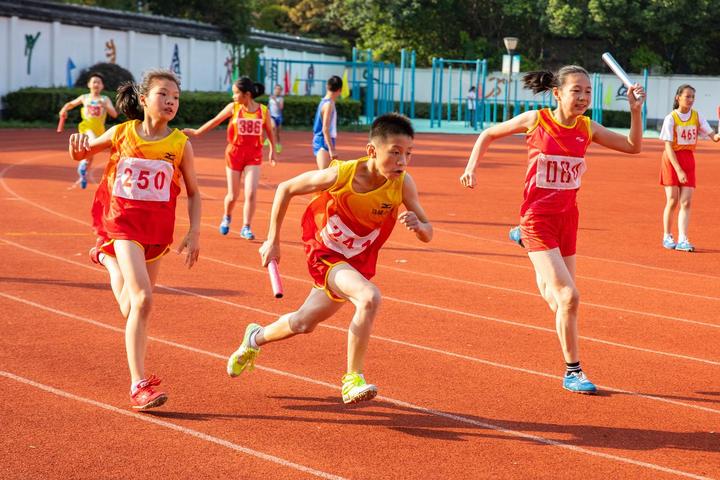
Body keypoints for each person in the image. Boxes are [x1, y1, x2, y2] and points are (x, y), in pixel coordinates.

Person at [460, 66, 646, 394]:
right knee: (569, 297)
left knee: (557, 300)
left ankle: (524, 243)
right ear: (558, 93)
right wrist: (471, 167)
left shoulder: (587, 128)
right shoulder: (536, 120)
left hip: (567, 219)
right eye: (577, 91)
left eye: (588, 91)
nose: (584, 97)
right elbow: (487, 134)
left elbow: (633, 146)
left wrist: (634, 111)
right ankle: (573, 371)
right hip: (537, 219)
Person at [226, 113, 433, 404]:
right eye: (395, 153)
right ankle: (352, 379)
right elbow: (286, 188)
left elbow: (428, 232)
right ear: (372, 151)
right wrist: (272, 239)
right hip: (324, 253)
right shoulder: (343, 174)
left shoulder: (403, 184)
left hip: (354, 262)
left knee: (302, 323)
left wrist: (419, 226)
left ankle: (254, 338)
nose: (402, 162)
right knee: (369, 297)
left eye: (408, 154)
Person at [68, 69, 201, 409]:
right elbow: (83, 154)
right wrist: (78, 148)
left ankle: (106, 260)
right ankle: (138, 384)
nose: (170, 101)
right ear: (144, 100)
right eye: (163, 95)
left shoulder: (180, 144)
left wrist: (194, 230)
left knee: (131, 307)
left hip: (158, 233)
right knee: (143, 300)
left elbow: (194, 193)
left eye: (175, 97)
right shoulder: (122, 132)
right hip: (123, 223)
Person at [184, 77, 276, 240]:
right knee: (233, 195)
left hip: (253, 155)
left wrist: (273, 151)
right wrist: (197, 132)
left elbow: (269, 130)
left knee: (251, 193)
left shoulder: (263, 111)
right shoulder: (233, 108)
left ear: (246, 94)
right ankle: (227, 216)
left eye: (235, 93)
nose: (233, 96)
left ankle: (246, 227)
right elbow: (216, 121)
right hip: (234, 154)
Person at [658, 84, 720, 251]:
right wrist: (678, 170)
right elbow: (668, 146)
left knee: (686, 202)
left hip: (688, 159)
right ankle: (667, 235)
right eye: (688, 96)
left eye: (693, 96)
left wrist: (718, 133)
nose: (691, 99)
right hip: (672, 159)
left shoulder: (696, 116)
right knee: (673, 200)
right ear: (678, 97)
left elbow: (714, 137)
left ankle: (683, 238)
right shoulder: (671, 118)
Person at [59, 72, 118, 188]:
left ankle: (83, 173)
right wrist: (64, 109)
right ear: (89, 84)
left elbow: (114, 114)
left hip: (99, 130)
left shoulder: (105, 99)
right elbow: (71, 104)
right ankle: (83, 163)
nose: (96, 84)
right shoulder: (84, 98)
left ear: (102, 86)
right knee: (91, 141)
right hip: (86, 128)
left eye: (99, 82)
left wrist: (105, 106)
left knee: (91, 154)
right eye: (94, 82)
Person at [312, 75, 342, 169]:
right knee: (324, 176)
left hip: (324, 140)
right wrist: (331, 149)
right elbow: (325, 128)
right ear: (340, 90)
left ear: (327, 86)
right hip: (322, 140)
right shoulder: (328, 104)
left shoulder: (327, 102)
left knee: (326, 177)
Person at [268, 84, 284, 153]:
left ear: (280, 91)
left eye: (279, 89)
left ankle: (278, 145)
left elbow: (281, 107)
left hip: (278, 117)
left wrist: (275, 100)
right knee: (273, 127)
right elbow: (268, 106)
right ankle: (268, 139)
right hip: (272, 116)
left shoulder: (281, 99)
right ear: (274, 90)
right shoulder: (270, 97)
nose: (277, 90)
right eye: (276, 89)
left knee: (277, 134)